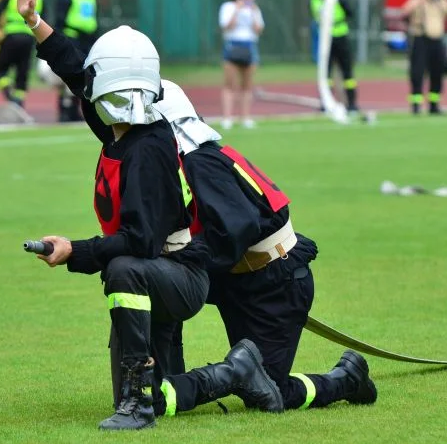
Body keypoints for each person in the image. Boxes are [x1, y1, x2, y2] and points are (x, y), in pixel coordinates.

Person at [15, 0, 281, 431]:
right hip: (158, 272)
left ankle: (145, 401)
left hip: (177, 274)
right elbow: (78, 71)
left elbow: (138, 243)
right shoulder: (122, 125)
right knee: (166, 394)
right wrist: (34, 20)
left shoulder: (145, 149)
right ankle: (232, 372)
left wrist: (74, 251)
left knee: (122, 270)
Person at [153, 81, 378, 417]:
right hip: (242, 277)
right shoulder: (194, 158)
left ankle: (346, 379)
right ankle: (165, 378)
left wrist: (187, 259)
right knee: (163, 284)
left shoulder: (200, 162)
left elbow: (238, 228)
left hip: (274, 282)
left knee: (270, 390)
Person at [401, 0, 447, 115]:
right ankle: (416, 104)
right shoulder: (416, 0)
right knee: (417, 72)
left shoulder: (440, 3)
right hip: (420, 39)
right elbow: (405, 11)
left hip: (436, 41)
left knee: (437, 73)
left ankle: (434, 104)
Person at [305, 0, 360, 115]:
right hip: (326, 38)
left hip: (341, 36)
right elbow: (319, 14)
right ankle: (326, 102)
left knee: (347, 72)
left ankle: (352, 103)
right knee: (326, 72)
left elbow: (350, 12)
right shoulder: (315, 0)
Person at [53, 0, 100, 123]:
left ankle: (74, 111)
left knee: (82, 78)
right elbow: (60, 21)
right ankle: (65, 110)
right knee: (68, 76)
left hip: (86, 43)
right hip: (71, 40)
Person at [218, 0, 265, 130]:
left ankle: (245, 117)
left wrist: (252, 13)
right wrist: (237, 10)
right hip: (233, 45)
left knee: (247, 84)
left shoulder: (254, 8)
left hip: (249, 46)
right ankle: (227, 118)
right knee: (229, 84)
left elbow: (258, 29)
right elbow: (226, 26)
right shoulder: (228, 7)